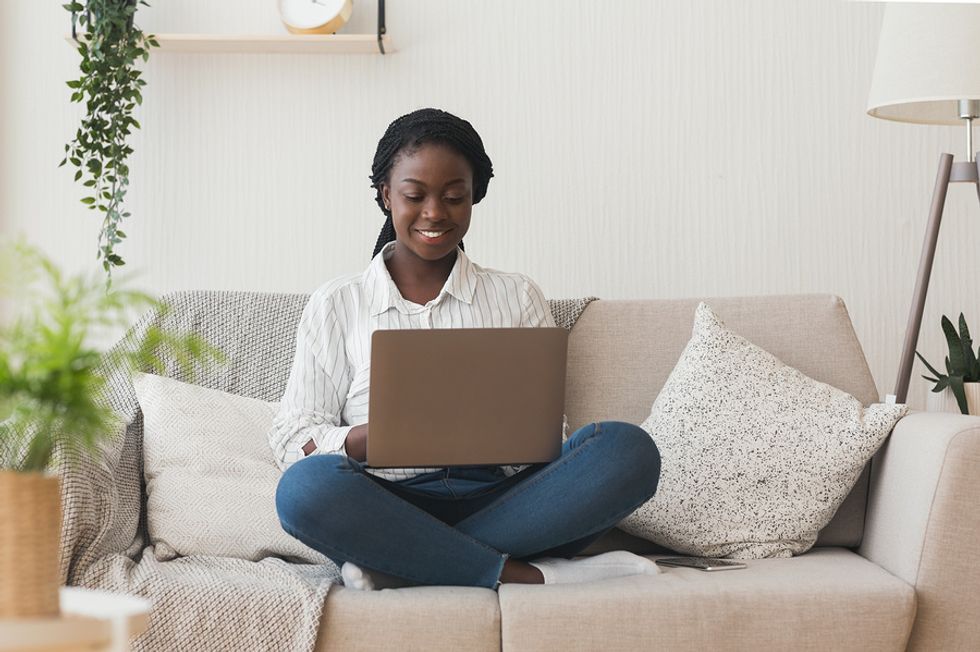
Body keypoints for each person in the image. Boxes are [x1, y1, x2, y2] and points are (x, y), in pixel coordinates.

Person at [270, 108, 662, 590]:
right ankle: (519, 573)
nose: (435, 212)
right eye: (415, 196)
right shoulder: (338, 302)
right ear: (385, 195)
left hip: (504, 501)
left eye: (454, 197)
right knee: (304, 490)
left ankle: (400, 563)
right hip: (386, 501)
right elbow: (292, 438)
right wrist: (377, 437)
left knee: (627, 450)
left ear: (474, 196)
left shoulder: (517, 296)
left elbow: (548, 436)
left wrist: (498, 435)